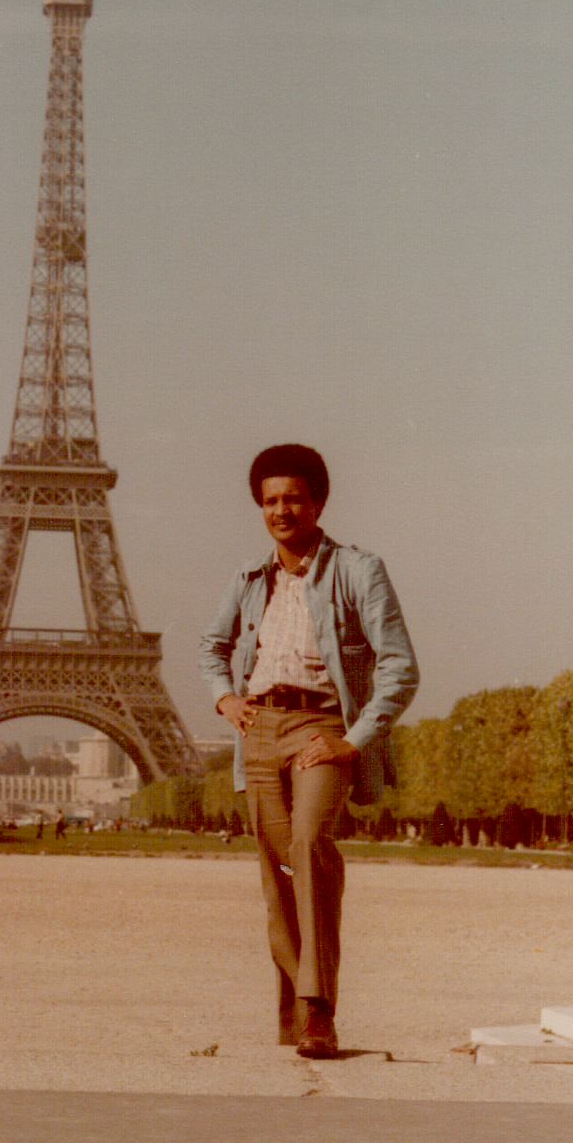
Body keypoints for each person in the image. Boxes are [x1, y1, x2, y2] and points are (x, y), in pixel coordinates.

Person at [199, 444, 418, 1059]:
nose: (281, 510)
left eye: (293, 498)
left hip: (322, 726)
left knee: (309, 845)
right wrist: (225, 700)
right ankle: (299, 1011)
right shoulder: (248, 579)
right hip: (261, 727)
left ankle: (318, 1008)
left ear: (319, 502)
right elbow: (211, 648)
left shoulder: (358, 570)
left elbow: (400, 665)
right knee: (278, 874)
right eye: (270, 501)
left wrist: (353, 740)